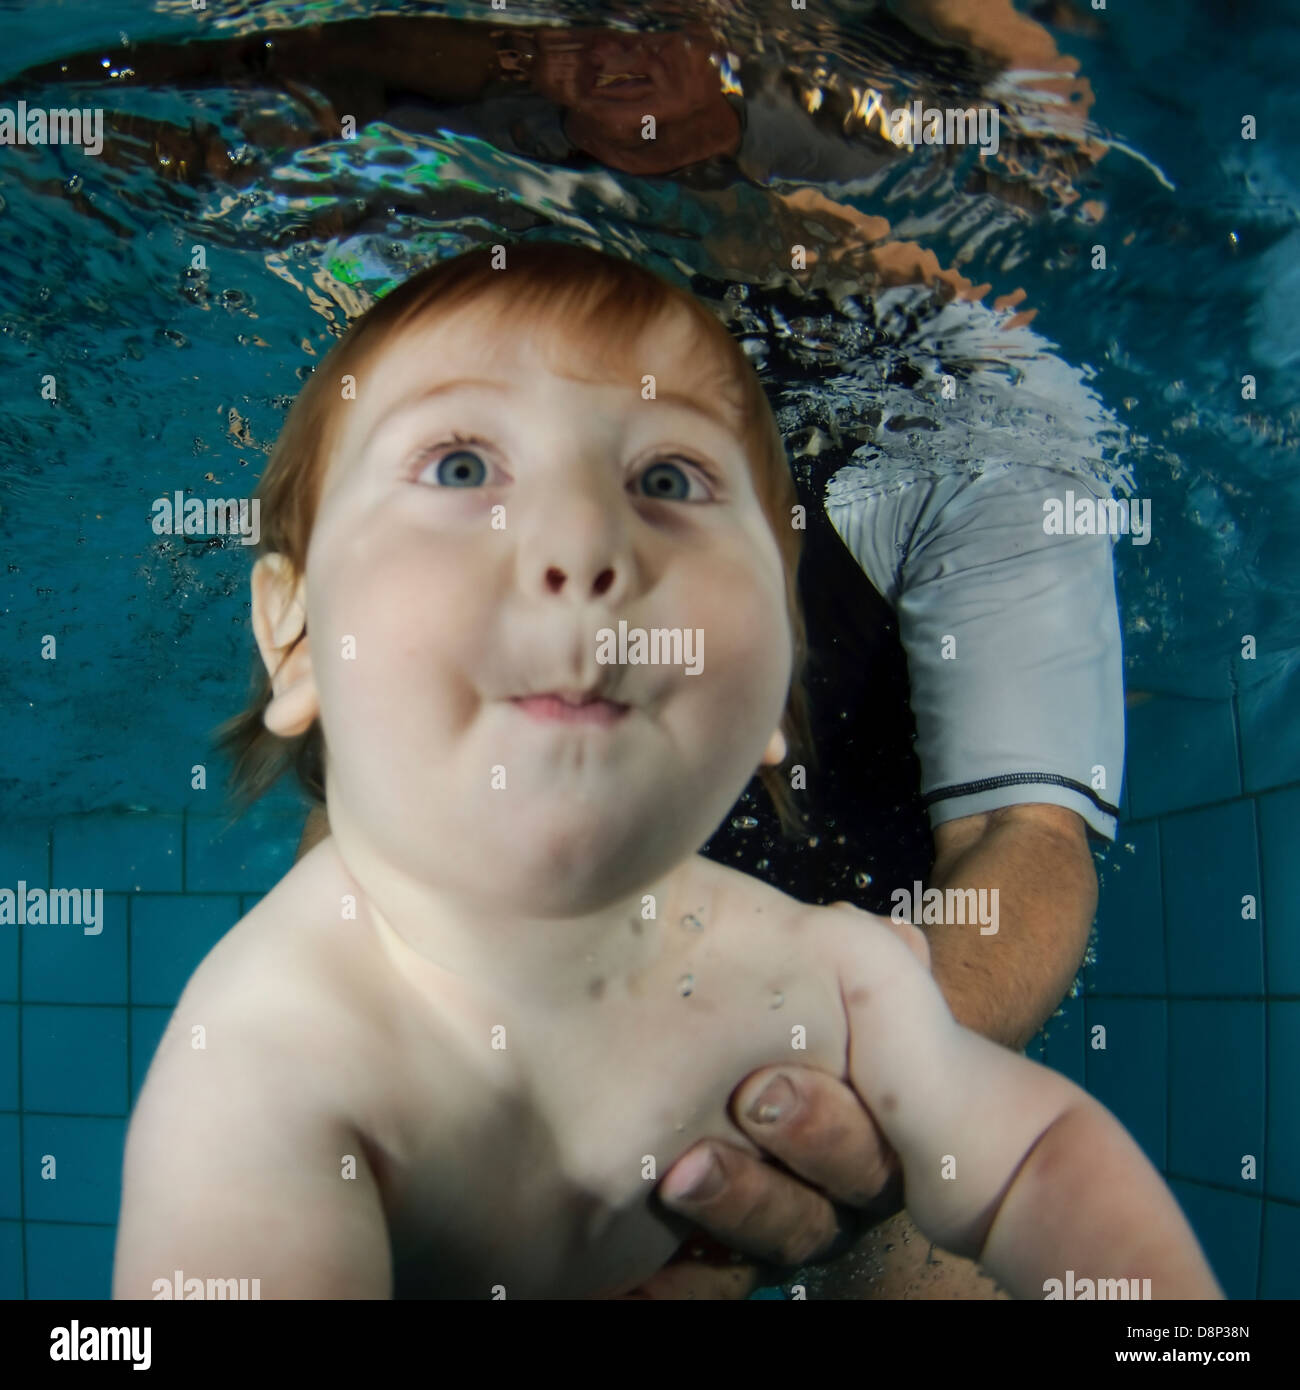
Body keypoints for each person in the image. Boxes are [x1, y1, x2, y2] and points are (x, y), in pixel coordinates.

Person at [25, 7, 1131, 1297]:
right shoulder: (422, 351)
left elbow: (1026, 842)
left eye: (672, 479)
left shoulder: (969, 384)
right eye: (463, 465)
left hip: (858, 1002)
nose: (572, 550)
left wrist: (855, 1111)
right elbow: (384, 807)